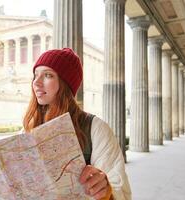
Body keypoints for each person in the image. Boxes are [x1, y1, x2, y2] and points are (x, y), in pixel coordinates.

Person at [23, 48, 131, 200]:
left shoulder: (96, 128)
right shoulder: (28, 129)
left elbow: (122, 192)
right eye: (35, 75)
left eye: (48, 75)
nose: (36, 82)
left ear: (65, 84)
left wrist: (106, 190)